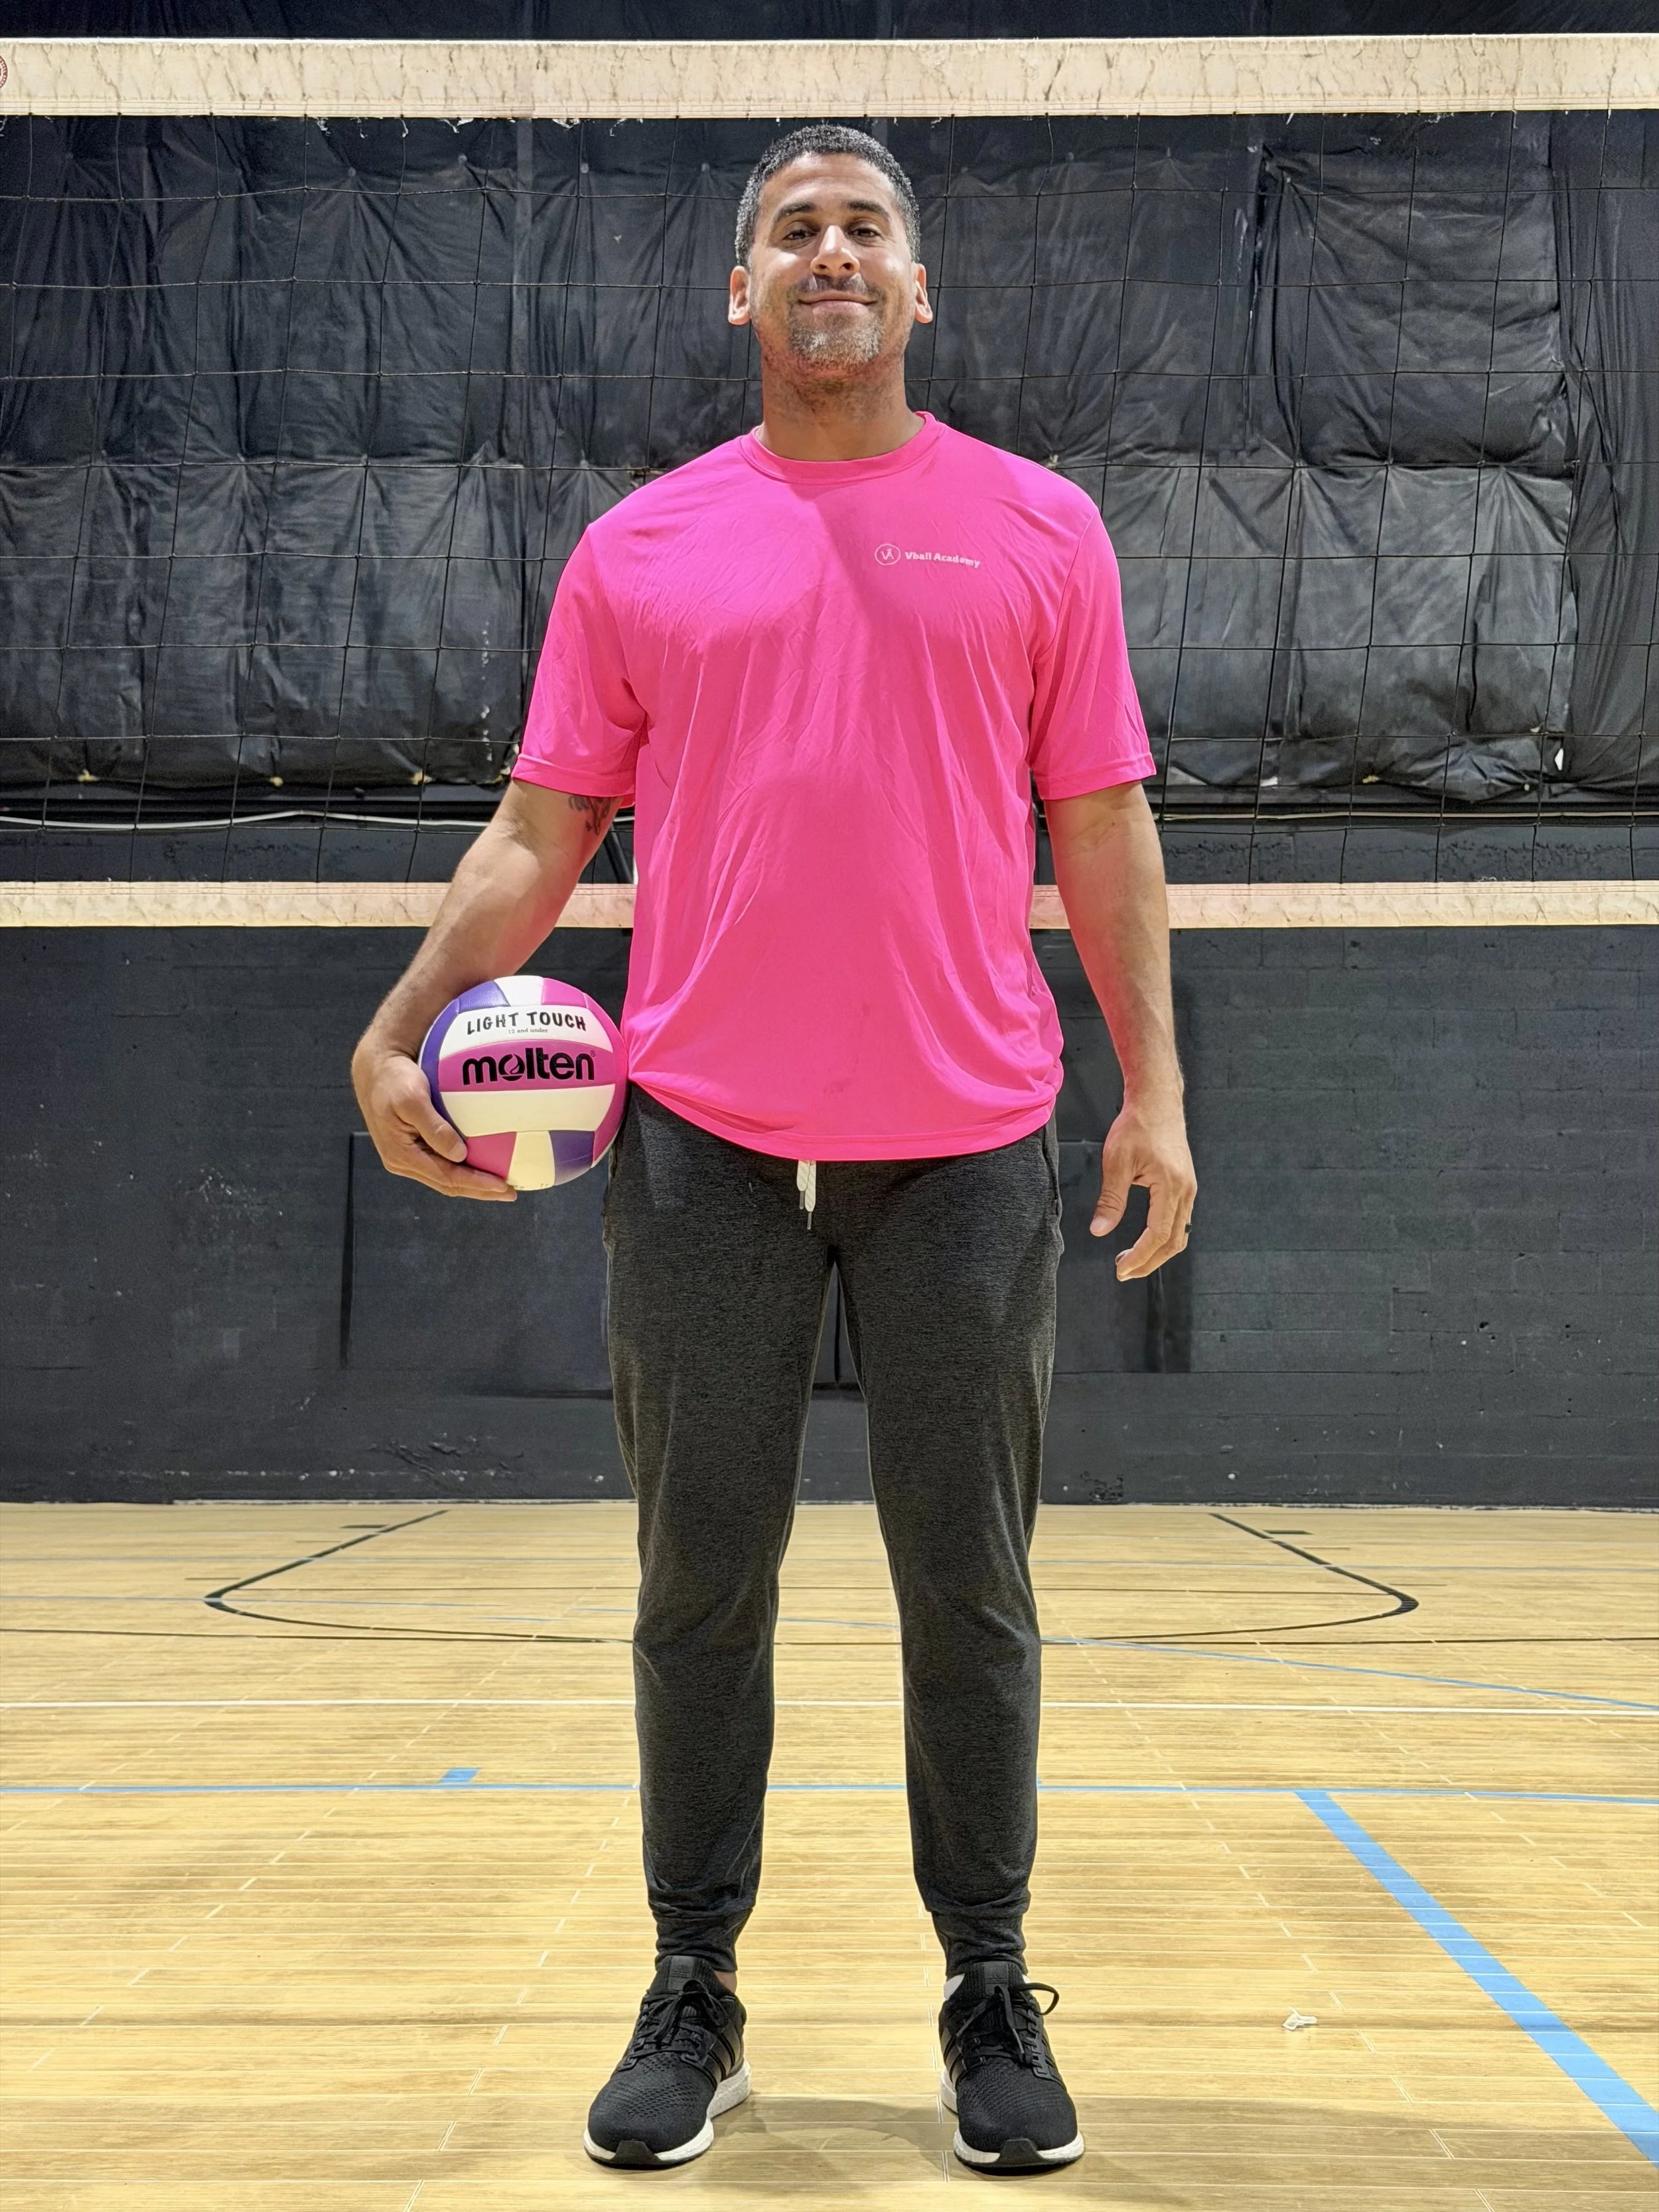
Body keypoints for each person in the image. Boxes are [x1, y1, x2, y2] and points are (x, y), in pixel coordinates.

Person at [352, 124, 1196, 2177]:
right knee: (695, 1589)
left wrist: (1155, 1086)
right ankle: (691, 1991)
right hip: (702, 1147)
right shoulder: (642, 548)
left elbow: (1100, 826)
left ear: (918, 290)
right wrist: (393, 1025)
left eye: (866, 227)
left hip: (972, 1145)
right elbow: (539, 832)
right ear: (741, 295)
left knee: (966, 1593)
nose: (831, 252)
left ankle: (987, 1990)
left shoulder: (1036, 528)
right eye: (793, 230)